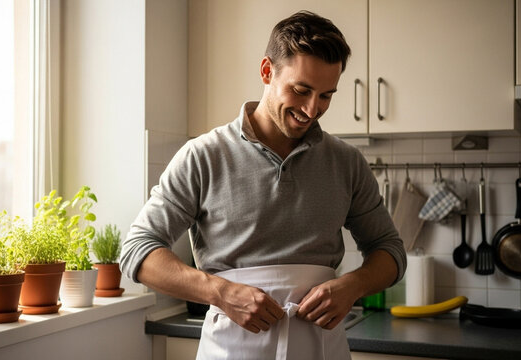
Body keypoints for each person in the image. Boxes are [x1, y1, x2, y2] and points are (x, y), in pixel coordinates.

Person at [120, 10, 406, 360]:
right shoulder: (204, 155)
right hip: (231, 349)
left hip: (321, 349)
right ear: (267, 71)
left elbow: (390, 251)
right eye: (301, 90)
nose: (312, 109)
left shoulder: (345, 162)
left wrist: (353, 285)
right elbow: (138, 251)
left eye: (326, 95)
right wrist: (220, 292)